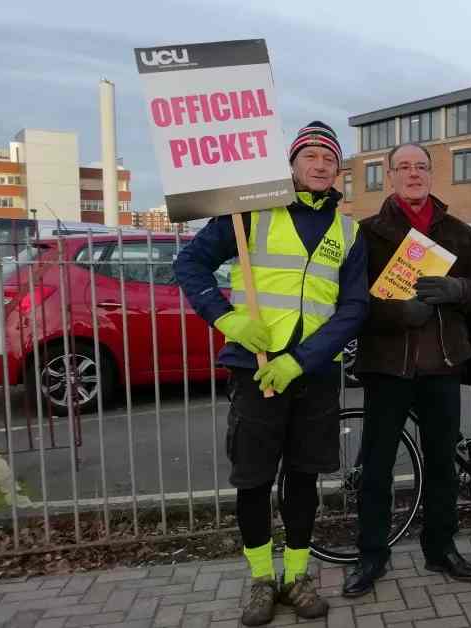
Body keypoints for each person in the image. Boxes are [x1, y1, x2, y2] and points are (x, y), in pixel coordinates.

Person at [174, 121, 368, 626]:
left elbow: (352, 309)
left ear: (338, 170)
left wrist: (300, 360)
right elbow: (189, 263)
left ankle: (297, 576)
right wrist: (228, 317)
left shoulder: (349, 231)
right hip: (255, 370)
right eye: (311, 156)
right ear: (292, 165)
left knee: (304, 479)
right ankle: (262, 579)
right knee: (254, 482)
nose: (321, 165)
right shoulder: (250, 214)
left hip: (315, 374)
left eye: (330, 158)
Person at [342, 142, 471, 597]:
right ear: (388, 176)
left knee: (443, 463)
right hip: (388, 366)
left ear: (431, 173)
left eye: (420, 167)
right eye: (402, 167)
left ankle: (441, 548)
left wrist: (456, 288)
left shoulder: (460, 233)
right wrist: (396, 314)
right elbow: (353, 304)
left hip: (442, 364)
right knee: (377, 465)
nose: (412, 174)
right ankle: (372, 555)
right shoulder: (366, 233)